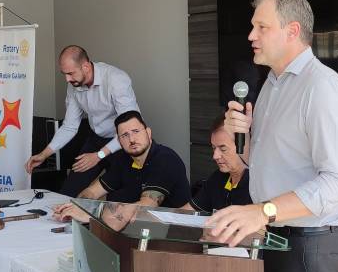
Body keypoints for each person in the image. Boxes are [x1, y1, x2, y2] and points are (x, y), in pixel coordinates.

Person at [207, 0, 338, 272]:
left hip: (308, 244)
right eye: (252, 26)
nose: (251, 36)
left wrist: (262, 211)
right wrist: (245, 134)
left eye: (262, 27)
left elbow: (336, 183)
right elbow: (264, 163)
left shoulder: (322, 88)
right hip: (275, 235)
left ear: (292, 31)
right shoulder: (272, 84)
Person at [26, 45, 139, 197]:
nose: (67, 79)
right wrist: (44, 154)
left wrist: (99, 155)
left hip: (124, 141)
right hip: (96, 139)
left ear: (85, 66)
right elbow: (69, 126)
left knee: (121, 197)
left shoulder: (116, 79)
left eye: (71, 73)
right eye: (64, 74)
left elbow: (130, 128)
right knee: (68, 193)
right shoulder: (74, 85)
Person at [52, 110, 191, 222]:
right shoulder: (123, 159)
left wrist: (91, 214)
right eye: (125, 135)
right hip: (129, 229)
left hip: (170, 234)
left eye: (136, 131)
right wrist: (78, 208)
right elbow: (92, 192)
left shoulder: (165, 159)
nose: (132, 139)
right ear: (119, 141)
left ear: (148, 133)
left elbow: (146, 206)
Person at [182, 115, 252, 212]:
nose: (215, 156)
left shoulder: (256, 186)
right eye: (214, 148)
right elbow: (187, 211)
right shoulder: (218, 178)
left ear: (244, 146)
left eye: (223, 149)